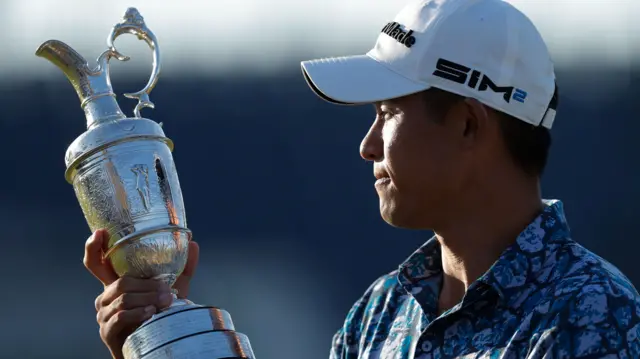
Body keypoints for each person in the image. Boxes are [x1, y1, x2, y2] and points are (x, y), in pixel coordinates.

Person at [83, 0, 640, 358]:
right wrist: (165, 338)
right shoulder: (380, 313)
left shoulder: (594, 317)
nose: (367, 145)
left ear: (470, 125)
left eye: (387, 113)